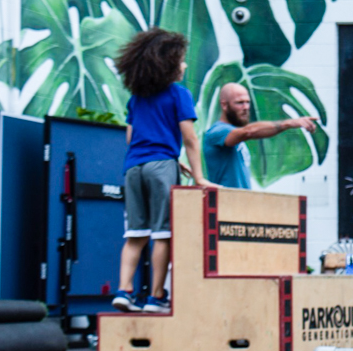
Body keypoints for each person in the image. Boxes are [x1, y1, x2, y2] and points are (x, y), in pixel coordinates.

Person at [111, 28, 215, 314]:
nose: (184, 65)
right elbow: (191, 138)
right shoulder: (178, 94)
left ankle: (124, 290)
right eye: (181, 60)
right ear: (167, 63)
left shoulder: (136, 99)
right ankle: (156, 296)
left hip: (134, 167)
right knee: (162, 234)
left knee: (135, 234)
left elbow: (131, 139)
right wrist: (198, 176)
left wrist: (168, 158)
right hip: (160, 166)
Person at [203, 82, 319, 188]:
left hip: (240, 204)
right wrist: (289, 123)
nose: (246, 107)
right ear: (224, 105)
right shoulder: (217, 132)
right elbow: (249, 132)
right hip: (224, 205)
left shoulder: (234, 135)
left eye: (248, 102)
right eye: (240, 103)